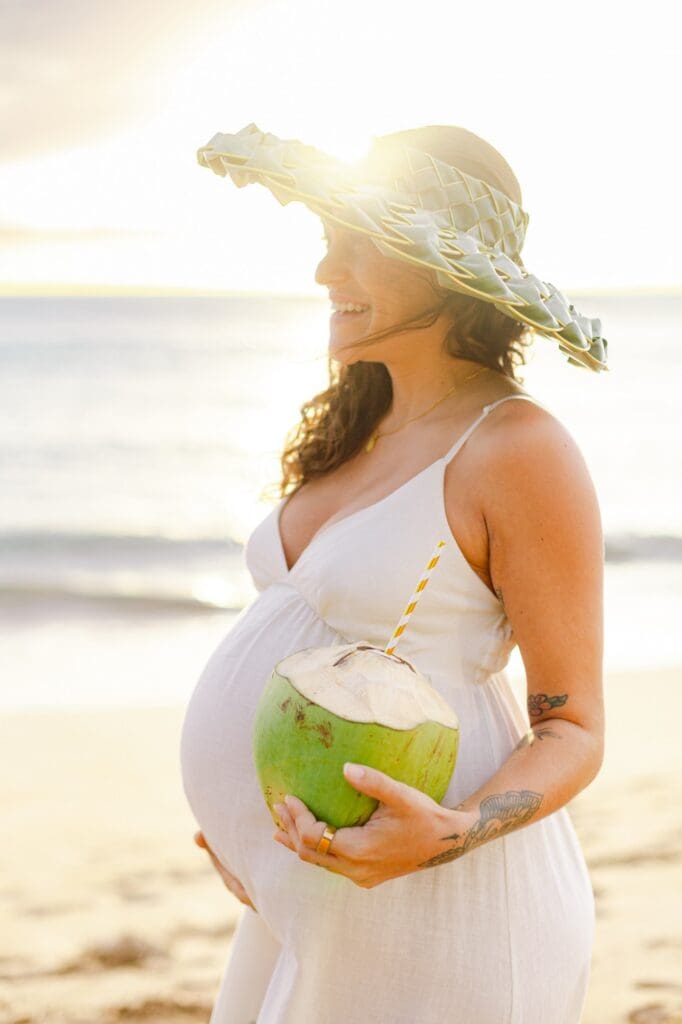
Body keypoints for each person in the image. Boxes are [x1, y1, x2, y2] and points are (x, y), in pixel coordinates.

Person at [181, 122, 607, 1023]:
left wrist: (449, 835)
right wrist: (246, 830)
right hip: (312, 906)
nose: (325, 273)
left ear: (448, 270)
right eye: (327, 241)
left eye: (359, 246)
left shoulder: (517, 448)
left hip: (446, 915)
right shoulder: (356, 426)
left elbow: (573, 728)